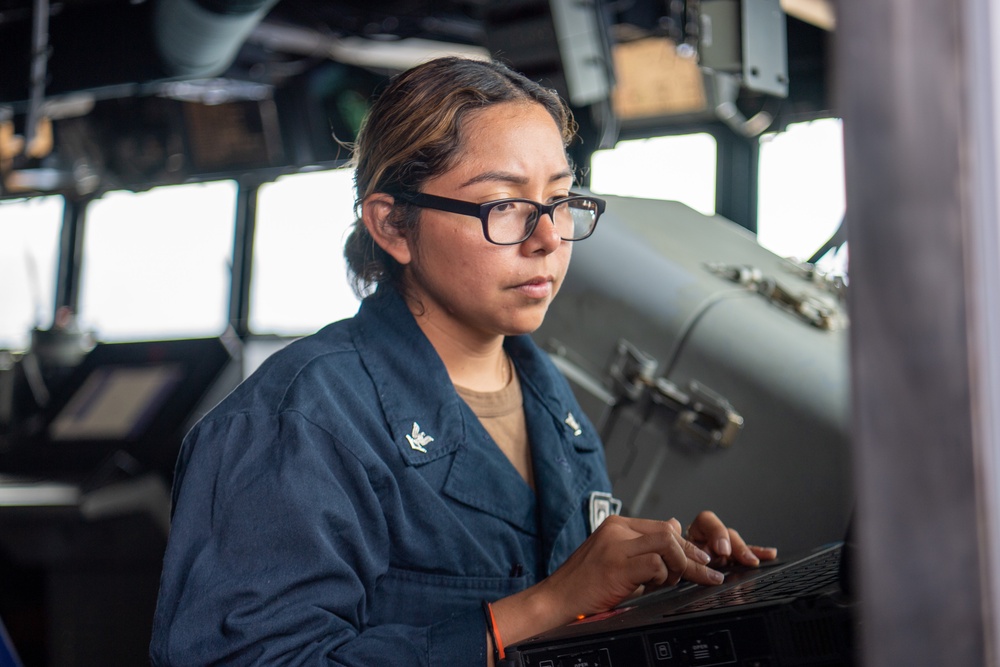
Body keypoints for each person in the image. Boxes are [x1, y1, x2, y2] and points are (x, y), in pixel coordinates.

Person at [149, 56, 776, 666]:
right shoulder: (297, 424)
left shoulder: (548, 395)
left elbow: (567, 606)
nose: (548, 238)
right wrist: (548, 604)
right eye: (503, 204)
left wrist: (649, 581)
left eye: (559, 200)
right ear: (392, 225)